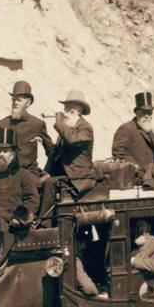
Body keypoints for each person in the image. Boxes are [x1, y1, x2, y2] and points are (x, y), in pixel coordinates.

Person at [0, 128, 41, 274]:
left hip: (11, 226)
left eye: (6, 151)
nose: (1, 155)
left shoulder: (23, 175)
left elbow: (32, 199)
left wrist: (19, 217)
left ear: (13, 154)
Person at [38, 90, 97, 218]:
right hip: (65, 175)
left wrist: (59, 122)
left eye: (71, 110)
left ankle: (44, 222)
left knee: (50, 183)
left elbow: (72, 140)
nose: (66, 113)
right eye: (65, 108)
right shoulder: (66, 130)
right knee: (36, 180)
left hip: (79, 178)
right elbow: (55, 154)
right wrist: (43, 140)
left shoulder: (86, 128)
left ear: (79, 111)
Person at [0, 80, 52, 176]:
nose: (15, 103)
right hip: (6, 172)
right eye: (13, 100)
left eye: (19, 100)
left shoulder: (37, 124)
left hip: (29, 173)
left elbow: (51, 151)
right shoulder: (1, 124)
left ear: (28, 103)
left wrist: (47, 172)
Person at [111, 92, 154, 187]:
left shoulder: (149, 130)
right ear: (136, 112)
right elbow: (118, 152)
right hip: (137, 178)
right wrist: (138, 168)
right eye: (144, 112)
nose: (147, 116)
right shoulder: (126, 128)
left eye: (150, 113)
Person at [130, 222, 154, 296]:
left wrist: (133, 261)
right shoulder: (137, 245)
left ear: (148, 229)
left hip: (148, 288)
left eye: (141, 229)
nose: (138, 231)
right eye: (136, 229)